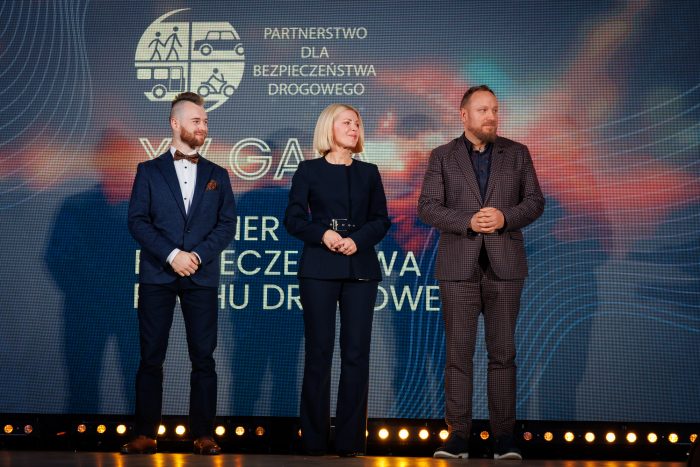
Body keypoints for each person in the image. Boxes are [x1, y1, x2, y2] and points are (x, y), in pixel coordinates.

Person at [418, 85, 544, 460]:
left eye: (495, 110)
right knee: (458, 355)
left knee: (503, 354)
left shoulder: (517, 153)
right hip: (459, 268)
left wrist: (505, 217)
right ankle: (458, 435)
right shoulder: (442, 156)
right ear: (464, 115)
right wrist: (467, 221)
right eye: (483, 110)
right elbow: (428, 207)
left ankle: (503, 437)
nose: (491, 116)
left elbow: (535, 202)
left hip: (505, 268)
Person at [122, 92, 236, 455]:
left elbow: (227, 225)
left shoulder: (218, 175)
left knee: (204, 358)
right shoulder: (148, 171)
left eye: (205, 121)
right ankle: (145, 433)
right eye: (196, 121)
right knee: (150, 357)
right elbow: (137, 222)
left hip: (201, 277)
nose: (203, 126)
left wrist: (196, 256)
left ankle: (203, 434)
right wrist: (172, 255)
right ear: (175, 123)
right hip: (157, 275)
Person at [284, 103, 391, 456]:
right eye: (347, 122)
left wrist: (357, 240)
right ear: (329, 127)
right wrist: (323, 235)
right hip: (319, 268)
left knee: (357, 354)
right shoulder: (308, 170)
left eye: (357, 123)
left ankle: (350, 441)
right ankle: (313, 441)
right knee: (319, 351)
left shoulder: (369, 172)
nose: (354, 127)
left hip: (360, 268)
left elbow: (381, 220)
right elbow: (293, 219)